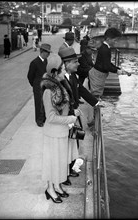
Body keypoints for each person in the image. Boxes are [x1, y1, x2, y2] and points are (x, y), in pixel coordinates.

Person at [58, 47, 104, 185]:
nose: (78, 64)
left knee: (74, 144)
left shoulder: (72, 76)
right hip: (65, 119)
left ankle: (71, 166)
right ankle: (62, 174)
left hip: (74, 116)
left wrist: (96, 103)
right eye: (75, 62)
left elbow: (82, 90)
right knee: (64, 146)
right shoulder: (58, 80)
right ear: (67, 64)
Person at [40, 54, 77, 203]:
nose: (64, 72)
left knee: (59, 162)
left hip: (61, 132)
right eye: (62, 69)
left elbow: (64, 109)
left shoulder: (59, 87)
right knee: (51, 162)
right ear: (55, 73)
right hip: (53, 134)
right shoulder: (49, 91)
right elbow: (51, 118)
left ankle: (57, 185)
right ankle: (50, 189)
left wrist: (72, 115)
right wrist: (70, 119)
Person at [89, 27, 126, 99]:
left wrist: (118, 68)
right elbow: (106, 66)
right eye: (115, 40)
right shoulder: (105, 49)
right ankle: (96, 107)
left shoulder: (105, 47)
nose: (116, 42)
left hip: (99, 73)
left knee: (97, 93)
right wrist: (117, 71)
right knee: (96, 94)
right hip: (98, 74)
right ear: (108, 39)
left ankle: (96, 106)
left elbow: (107, 63)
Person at [27, 44, 51, 127]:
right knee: (39, 103)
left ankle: (44, 118)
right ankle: (39, 120)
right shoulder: (34, 62)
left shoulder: (46, 61)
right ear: (41, 52)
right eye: (47, 52)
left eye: (49, 53)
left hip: (45, 85)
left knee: (45, 102)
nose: (48, 54)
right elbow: (30, 76)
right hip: (37, 86)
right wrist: (34, 85)